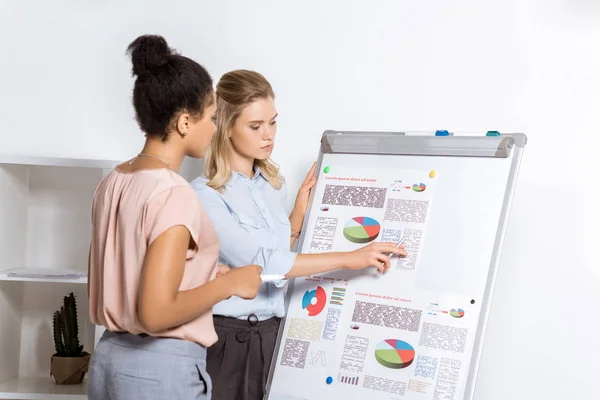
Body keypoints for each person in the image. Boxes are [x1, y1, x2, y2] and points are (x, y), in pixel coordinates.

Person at [190, 69, 406, 400]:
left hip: (274, 333)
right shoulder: (204, 195)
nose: (268, 135)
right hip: (226, 339)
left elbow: (275, 251)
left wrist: (297, 218)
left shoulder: (273, 186)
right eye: (255, 126)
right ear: (226, 127)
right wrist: (351, 259)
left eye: (272, 122)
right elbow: (262, 263)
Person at [86, 36, 262, 400]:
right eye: (212, 118)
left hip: (108, 362)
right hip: (160, 369)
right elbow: (155, 312)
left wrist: (202, 274)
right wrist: (231, 284)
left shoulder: (113, 181)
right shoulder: (173, 192)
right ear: (184, 122)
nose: (215, 130)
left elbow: (131, 267)